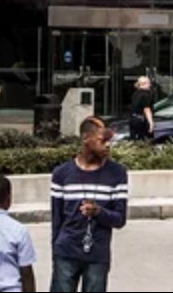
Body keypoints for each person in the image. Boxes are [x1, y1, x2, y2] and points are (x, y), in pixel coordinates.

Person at [48, 117, 128, 292]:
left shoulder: (117, 173)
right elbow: (56, 220)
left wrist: (98, 212)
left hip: (97, 255)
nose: (107, 145)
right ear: (86, 139)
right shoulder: (62, 174)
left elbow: (120, 219)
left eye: (109, 141)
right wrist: (56, 253)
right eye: (102, 140)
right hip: (66, 253)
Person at [125, 78, 157, 143]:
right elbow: (147, 109)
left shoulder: (135, 94)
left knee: (134, 140)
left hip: (133, 119)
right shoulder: (145, 94)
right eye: (149, 83)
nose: (150, 85)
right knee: (146, 140)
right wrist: (151, 123)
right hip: (142, 121)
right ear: (143, 84)